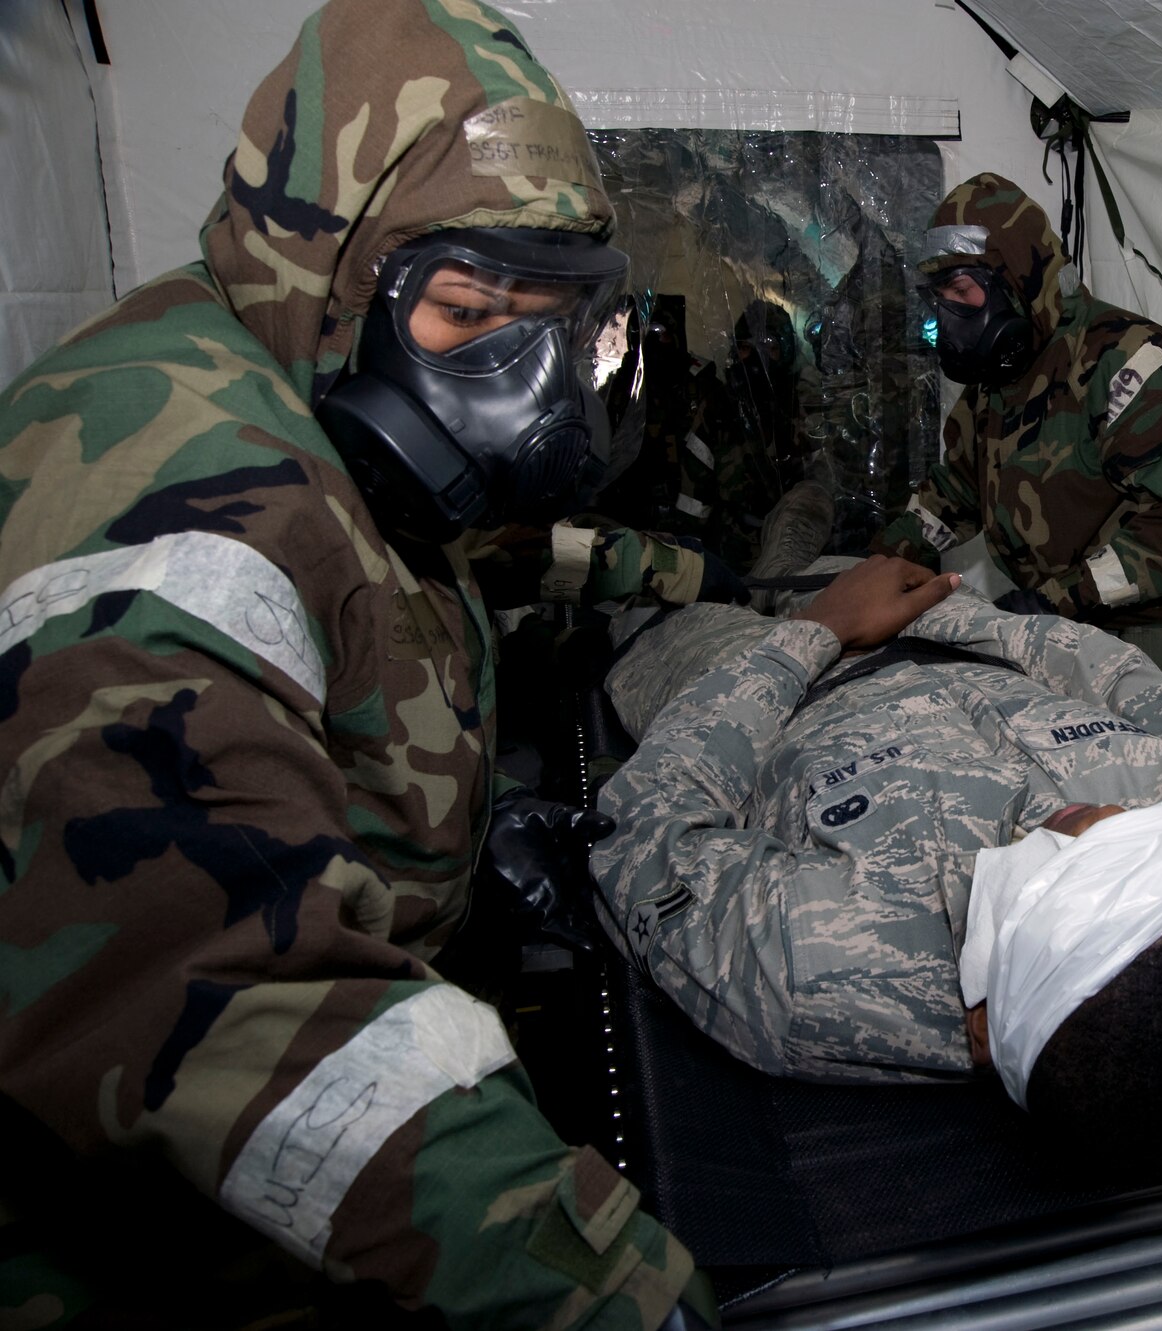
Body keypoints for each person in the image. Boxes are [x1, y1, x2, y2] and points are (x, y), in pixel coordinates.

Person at [0, 1, 717, 1324]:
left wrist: (449, 848)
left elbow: (425, 583)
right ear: (327, 271)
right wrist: (604, 1286)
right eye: (468, 309)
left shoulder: (310, 403)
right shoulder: (171, 491)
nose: (526, 377)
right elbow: (235, 994)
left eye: (550, 320)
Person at [588, 557, 1162, 1156]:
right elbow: (1143, 687)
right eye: (1138, 832)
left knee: (669, 591)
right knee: (807, 537)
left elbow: (650, 825)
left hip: (751, 682)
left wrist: (816, 630)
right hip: (946, 629)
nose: (1096, 815)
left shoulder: (814, 959)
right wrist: (959, 615)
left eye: (1063, 857)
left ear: (984, 1026)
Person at [871, 174, 1162, 716]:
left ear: (1018, 280)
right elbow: (952, 492)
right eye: (941, 299)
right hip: (1060, 637)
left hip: (1158, 651)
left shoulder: (1131, 365)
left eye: (962, 293)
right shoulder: (995, 383)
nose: (950, 319)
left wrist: (1053, 601)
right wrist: (883, 563)